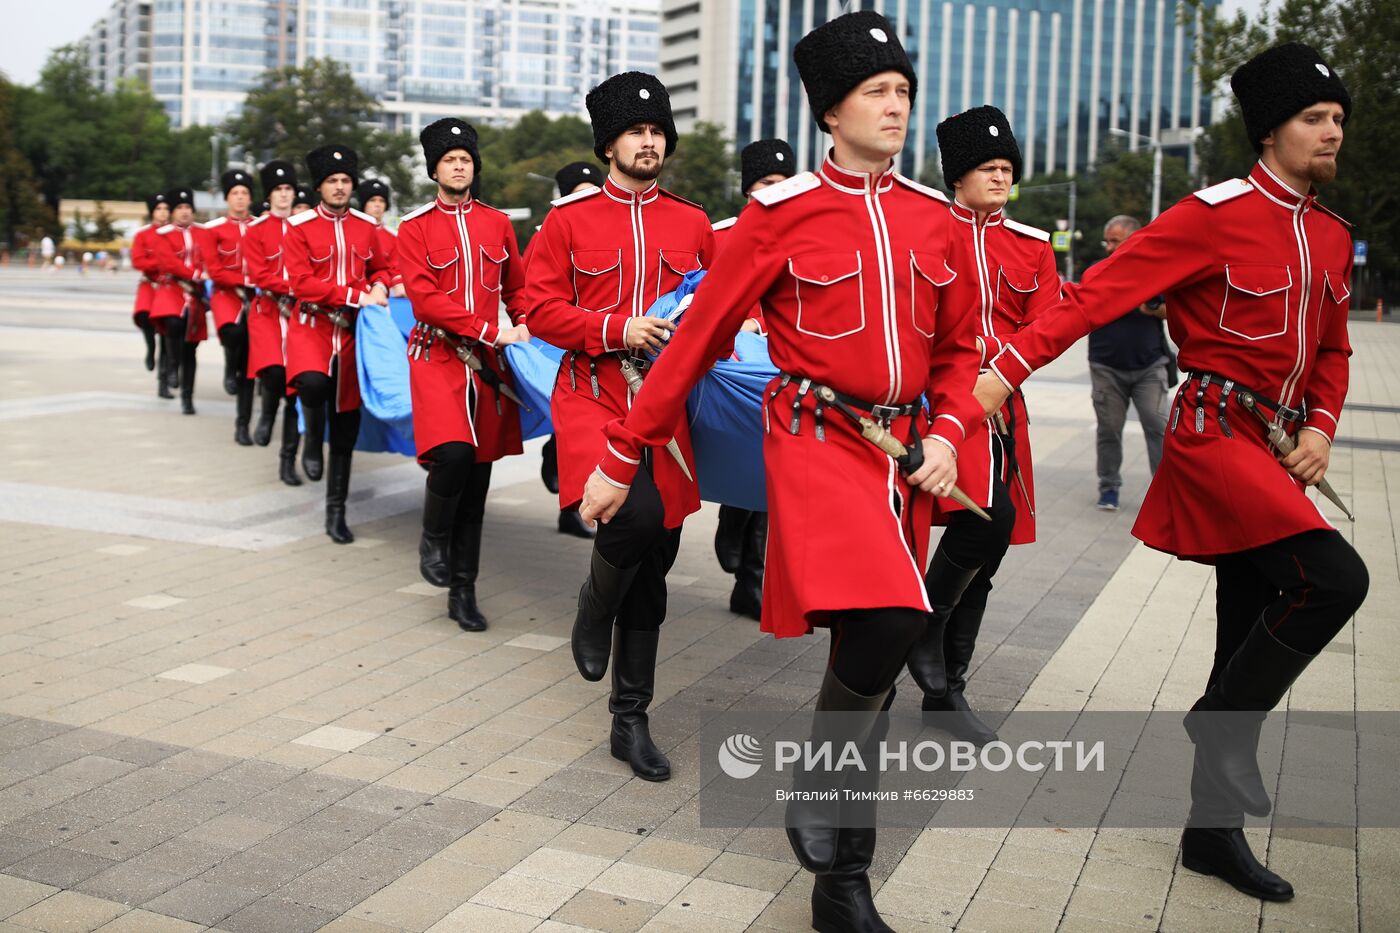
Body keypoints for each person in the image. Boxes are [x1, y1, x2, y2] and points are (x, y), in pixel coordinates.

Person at [578, 13, 981, 930]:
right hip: (817, 442)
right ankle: (817, 779)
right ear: (830, 112)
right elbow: (692, 346)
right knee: (896, 617)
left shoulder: (931, 217)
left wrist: (953, 430)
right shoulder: (780, 213)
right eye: (877, 92)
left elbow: (960, 350)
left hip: (906, 458)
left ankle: (843, 883)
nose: (896, 106)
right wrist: (621, 449)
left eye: (904, 92)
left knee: (870, 656)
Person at [972, 42, 1368, 902]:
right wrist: (1006, 369)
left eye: (1338, 118)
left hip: (1278, 447)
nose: (1332, 132)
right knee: (1335, 579)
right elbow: (1092, 295)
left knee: (1246, 625)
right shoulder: (1212, 213)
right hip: (1213, 432)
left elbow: (1332, 349)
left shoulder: (1332, 236)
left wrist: (1324, 428)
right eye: (1314, 119)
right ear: (1271, 131)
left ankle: (1210, 833)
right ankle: (1219, 725)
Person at [525, 71, 714, 783]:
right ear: (609, 143)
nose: (648, 142)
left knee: (658, 559)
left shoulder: (694, 222)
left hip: (666, 410)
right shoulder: (568, 222)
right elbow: (540, 308)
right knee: (630, 519)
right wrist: (616, 327)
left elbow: (720, 311)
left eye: (657, 131)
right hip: (592, 395)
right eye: (636, 132)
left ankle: (629, 717)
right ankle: (591, 604)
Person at [901, 106, 1061, 747]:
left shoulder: (1031, 245)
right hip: (938, 410)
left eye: (1006, 169)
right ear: (957, 176)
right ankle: (912, 645)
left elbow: (1049, 327)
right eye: (986, 168)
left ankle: (946, 691)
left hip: (1001, 416)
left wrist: (1002, 370)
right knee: (971, 523)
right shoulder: (925, 231)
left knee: (989, 550)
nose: (999, 178)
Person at [399, 118, 531, 632]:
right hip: (437, 357)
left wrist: (524, 326)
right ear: (435, 169)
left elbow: (517, 288)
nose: (459, 166)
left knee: (477, 482)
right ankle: (432, 536)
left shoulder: (497, 223)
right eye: (450, 160)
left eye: (466, 159)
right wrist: (486, 328)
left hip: (490, 365)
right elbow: (425, 299)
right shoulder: (413, 227)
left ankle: (463, 590)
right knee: (452, 453)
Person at [282, 145, 392, 543]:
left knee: (346, 425)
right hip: (311, 327)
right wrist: (354, 294)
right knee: (311, 385)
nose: (341, 187)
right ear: (319, 187)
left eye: (346, 181)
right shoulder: (299, 227)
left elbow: (383, 265)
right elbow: (301, 283)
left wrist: (379, 284)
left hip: (352, 334)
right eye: (333, 181)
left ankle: (336, 511)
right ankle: (311, 437)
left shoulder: (368, 226)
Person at [708, 138, 796, 620]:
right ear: (748, 191)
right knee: (748, 452)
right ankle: (732, 513)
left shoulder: (808, 238)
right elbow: (702, 296)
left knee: (777, 465)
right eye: (766, 183)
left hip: (785, 371)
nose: (776, 192)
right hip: (736, 372)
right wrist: (743, 322)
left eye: (785, 184)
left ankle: (752, 581)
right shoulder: (721, 237)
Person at [535, 161, 604, 541]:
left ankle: (572, 508)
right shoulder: (552, 233)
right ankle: (554, 458)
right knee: (565, 421)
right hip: (554, 347)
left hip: (603, 347)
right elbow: (536, 300)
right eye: (579, 193)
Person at [1087, 214, 1169, 511]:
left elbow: (1170, 310)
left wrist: (1152, 307)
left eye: (1115, 241)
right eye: (1106, 240)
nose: (1108, 247)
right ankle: (1108, 488)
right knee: (1109, 430)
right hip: (1106, 367)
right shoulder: (1097, 272)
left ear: (1134, 239)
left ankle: (1165, 492)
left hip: (1149, 366)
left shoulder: (1155, 272)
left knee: (1158, 425)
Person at [244, 160, 305, 486]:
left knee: (297, 389)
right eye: (278, 190)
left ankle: (288, 460)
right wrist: (293, 288)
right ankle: (266, 412)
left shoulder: (304, 227)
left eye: (288, 189)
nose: (284, 196)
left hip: (298, 314)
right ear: (269, 195)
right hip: (268, 311)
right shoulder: (255, 230)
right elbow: (258, 274)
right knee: (274, 370)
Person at [204, 169, 258, 445]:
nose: (239, 198)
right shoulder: (213, 230)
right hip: (228, 296)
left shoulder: (261, 226)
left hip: (258, 299)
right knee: (234, 333)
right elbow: (215, 270)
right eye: (235, 194)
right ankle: (228, 364)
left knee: (250, 366)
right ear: (227, 199)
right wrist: (248, 279)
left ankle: (242, 425)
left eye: (244, 194)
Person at [149, 187, 208, 415]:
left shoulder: (203, 233)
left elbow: (209, 257)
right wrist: (193, 273)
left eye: (188, 208)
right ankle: (171, 365)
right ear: (173, 212)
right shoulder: (163, 235)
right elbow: (168, 263)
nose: (184, 212)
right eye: (179, 208)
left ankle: (187, 396)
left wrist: (203, 274)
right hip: (172, 289)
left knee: (191, 350)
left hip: (195, 295)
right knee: (172, 324)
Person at [130, 192, 170, 380]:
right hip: (150, 283)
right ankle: (150, 347)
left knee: (166, 331)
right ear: (152, 212)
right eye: (158, 209)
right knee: (144, 316)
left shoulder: (174, 233)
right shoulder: (143, 235)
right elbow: (138, 261)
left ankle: (163, 377)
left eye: (166, 209)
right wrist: (158, 263)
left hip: (169, 285)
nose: (163, 213)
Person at [356, 178, 405, 298]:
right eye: (372, 200)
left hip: (386, 293)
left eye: (381, 201)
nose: (377, 205)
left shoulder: (393, 236)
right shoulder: (351, 232)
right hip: (356, 293)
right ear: (364, 203)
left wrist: (399, 285)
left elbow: (396, 268)